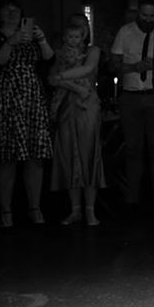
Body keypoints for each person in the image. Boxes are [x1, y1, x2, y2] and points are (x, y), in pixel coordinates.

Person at [0, 0, 54, 228]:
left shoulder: (30, 34)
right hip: (8, 95)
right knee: (7, 157)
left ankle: (35, 207)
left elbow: (48, 58)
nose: (13, 13)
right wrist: (11, 41)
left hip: (32, 94)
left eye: (16, 10)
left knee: (35, 156)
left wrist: (41, 39)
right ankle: (6, 210)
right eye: (7, 10)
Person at [48, 13, 106, 226]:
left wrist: (62, 78)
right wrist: (70, 85)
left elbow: (87, 69)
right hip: (66, 106)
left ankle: (90, 209)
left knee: (88, 155)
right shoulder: (60, 54)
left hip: (87, 107)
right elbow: (51, 78)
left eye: (82, 27)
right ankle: (75, 210)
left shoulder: (93, 51)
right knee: (68, 156)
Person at [110, 2, 154, 212]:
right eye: (145, 15)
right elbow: (112, 65)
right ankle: (132, 199)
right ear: (138, 14)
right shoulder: (125, 33)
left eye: (152, 16)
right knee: (133, 149)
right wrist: (135, 67)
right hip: (131, 96)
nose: (148, 20)